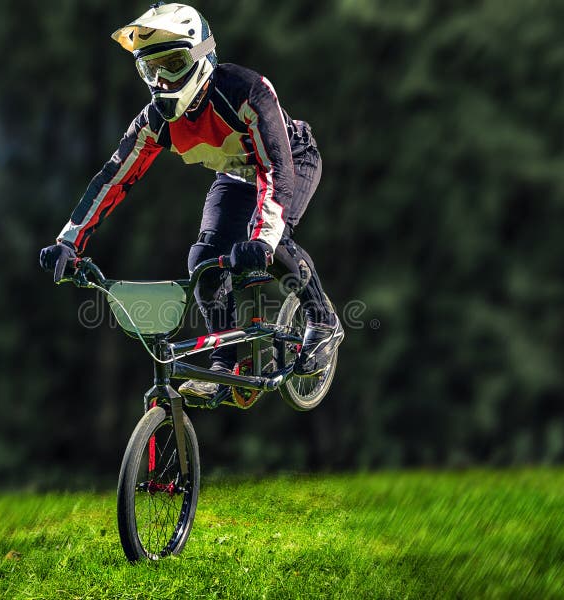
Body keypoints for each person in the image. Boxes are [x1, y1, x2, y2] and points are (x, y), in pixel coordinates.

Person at [39, 2, 344, 402]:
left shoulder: (246, 91)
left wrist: (264, 238)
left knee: (274, 241)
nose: (163, 81)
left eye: (173, 64)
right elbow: (112, 178)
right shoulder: (154, 122)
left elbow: (276, 169)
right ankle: (224, 362)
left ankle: (322, 321)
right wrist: (69, 241)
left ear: (203, 55)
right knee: (204, 260)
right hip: (235, 175)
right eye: (151, 70)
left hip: (291, 159)